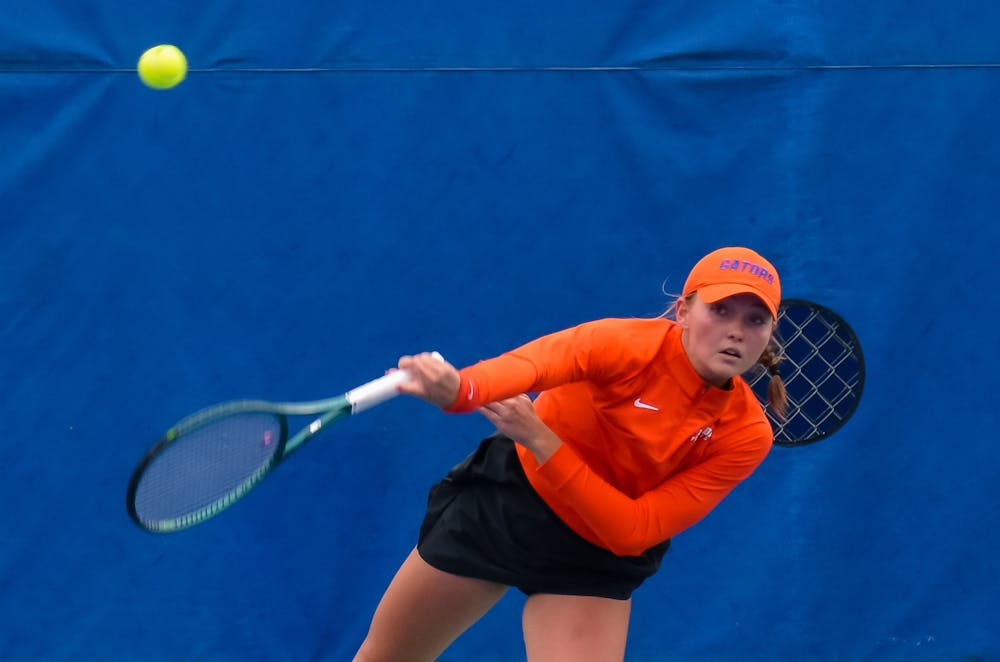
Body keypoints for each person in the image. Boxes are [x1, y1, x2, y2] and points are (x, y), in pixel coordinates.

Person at [353, 246, 787, 662]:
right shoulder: (624, 344)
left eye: (755, 320)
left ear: (769, 331)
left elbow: (633, 532)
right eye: (720, 310)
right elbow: (534, 365)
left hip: (596, 557)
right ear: (684, 313)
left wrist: (541, 440)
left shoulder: (746, 433)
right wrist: (460, 390)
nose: (736, 331)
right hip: (509, 504)